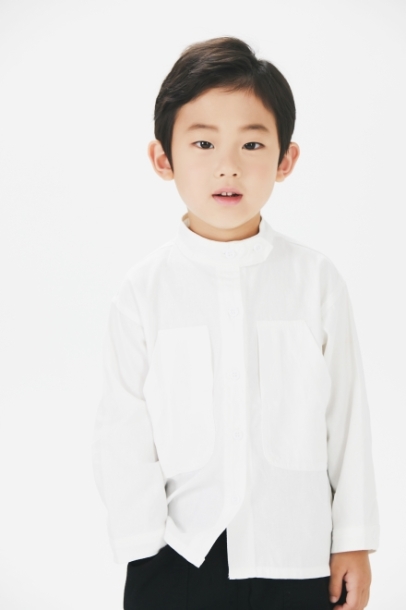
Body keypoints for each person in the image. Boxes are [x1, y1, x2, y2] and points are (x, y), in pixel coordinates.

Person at [91, 36, 380, 610]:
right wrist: (143, 547)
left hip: (295, 554)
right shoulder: (142, 292)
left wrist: (353, 540)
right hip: (178, 555)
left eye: (252, 143)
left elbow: (348, 419)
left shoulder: (316, 281)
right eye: (203, 143)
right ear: (163, 158)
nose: (228, 166)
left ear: (285, 160)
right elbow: (122, 430)